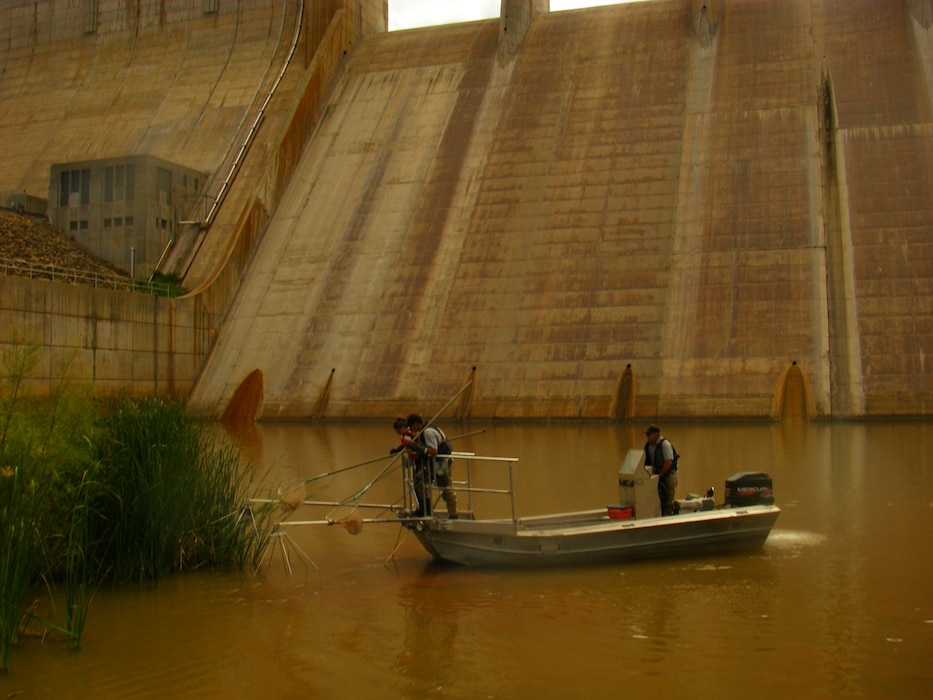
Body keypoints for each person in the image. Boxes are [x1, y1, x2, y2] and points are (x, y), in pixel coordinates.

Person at [407, 413, 458, 519]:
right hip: (439, 463)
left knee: (423, 482)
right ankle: (428, 510)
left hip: (440, 464)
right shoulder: (430, 428)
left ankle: (428, 510)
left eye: (411, 427)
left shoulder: (428, 432)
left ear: (416, 424)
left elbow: (433, 451)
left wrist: (419, 448)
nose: (411, 430)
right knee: (424, 482)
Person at [643, 425, 678, 515]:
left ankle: (668, 517)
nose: (647, 437)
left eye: (649, 434)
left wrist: (659, 476)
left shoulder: (665, 444)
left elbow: (668, 462)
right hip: (655, 476)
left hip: (668, 475)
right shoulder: (648, 446)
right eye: (646, 435)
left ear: (656, 434)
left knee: (668, 499)